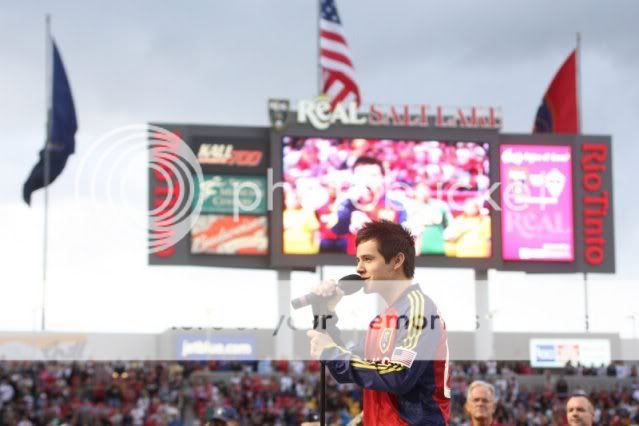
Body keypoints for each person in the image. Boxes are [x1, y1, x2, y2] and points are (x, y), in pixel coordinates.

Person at [307, 220, 450, 425]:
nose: (359, 268)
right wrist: (326, 313)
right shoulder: (381, 320)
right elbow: (343, 366)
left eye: (367, 259)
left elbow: (399, 375)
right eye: (358, 260)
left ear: (396, 261)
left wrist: (332, 352)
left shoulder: (420, 309)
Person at [330, 156, 407, 255]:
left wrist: (371, 229)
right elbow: (337, 230)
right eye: (361, 176)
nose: (367, 180)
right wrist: (349, 204)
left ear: (383, 178)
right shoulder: (348, 203)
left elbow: (403, 243)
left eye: (373, 175)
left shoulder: (396, 206)